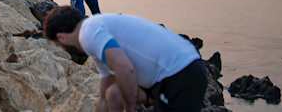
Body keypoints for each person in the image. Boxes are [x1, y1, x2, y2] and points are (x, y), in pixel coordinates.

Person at [43, 6, 206, 112]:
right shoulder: (93, 32)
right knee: (113, 93)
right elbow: (106, 92)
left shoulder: (88, 34)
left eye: (58, 46)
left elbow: (124, 67)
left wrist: (130, 107)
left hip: (181, 72)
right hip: (169, 73)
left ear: (61, 37)